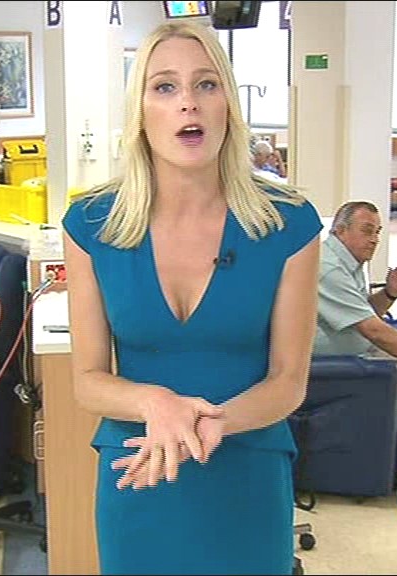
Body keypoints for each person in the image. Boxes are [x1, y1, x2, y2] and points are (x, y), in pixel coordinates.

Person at [62, 21, 321, 574]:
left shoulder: (288, 222)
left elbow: (288, 381)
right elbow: (87, 380)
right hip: (139, 466)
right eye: (165, 87)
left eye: (206, 84)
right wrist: (155, 404)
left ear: (228, 105)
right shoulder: (91, 223)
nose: (189, 103)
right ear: (140, 112)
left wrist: (211, 423)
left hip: (246, 465)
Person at [313, 200, 397, 462]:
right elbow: (373, 329)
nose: (374, 239)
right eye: (367, 231)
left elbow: (363, 313)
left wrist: (390, 292)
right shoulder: (329, 268)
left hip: (353, 346)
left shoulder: (347, 261)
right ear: (340, 231)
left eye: (377, 232)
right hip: (326, 360)